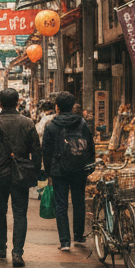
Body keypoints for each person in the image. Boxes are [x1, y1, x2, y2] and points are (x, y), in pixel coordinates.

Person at [0, 88, 43, 267]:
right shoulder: (27, 123)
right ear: (18, 102)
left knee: (0, 211)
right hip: (21, 174)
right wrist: (35, 173)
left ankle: (1, 247)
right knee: (20, 213)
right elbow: (36, 151)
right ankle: (17, 253)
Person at [42, 91, 96, 251]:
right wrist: (89, 165)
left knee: (61, 205)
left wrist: (49, 172)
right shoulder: (82, 123)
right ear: (72, 106)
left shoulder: (51, 125)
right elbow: (90, 145)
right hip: (79, 167)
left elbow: (46, 151)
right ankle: (79, 235)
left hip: (59, 170)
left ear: (57, 107)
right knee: (79, 201)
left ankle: (65, 241)